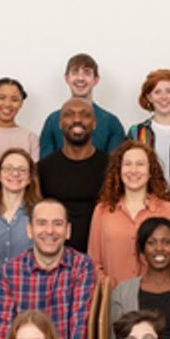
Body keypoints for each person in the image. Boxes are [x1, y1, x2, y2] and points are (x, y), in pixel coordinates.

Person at [0, 199, 96, 339]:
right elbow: (1, 328)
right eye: (41, 223)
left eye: (57, 223)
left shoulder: (82, 266)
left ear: (68, 231)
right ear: (29, 230)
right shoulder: (10, 271)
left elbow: (80, 326)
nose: (49, 231)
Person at [87, 141, 170, 283]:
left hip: (155, 299)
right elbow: (93, 261)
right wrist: (107, 286)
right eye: (127, 164)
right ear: (118, 170)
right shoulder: (102, 210)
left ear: (151, 172)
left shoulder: (168, 210)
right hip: (113, 298)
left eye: (140, 164)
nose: (133, 170)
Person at [36, 97, 110, 253]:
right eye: (69, 115)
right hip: (54, 257)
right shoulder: (43, 168)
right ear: (60, 123)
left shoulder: (111, 167)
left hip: (101, 256)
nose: (77, 120)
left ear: (94, 124)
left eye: (85, 115)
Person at [38, 53, 125, 158]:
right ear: (66, 78)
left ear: (96, 79)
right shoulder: (53, 120)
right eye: (75, 72)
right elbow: (46, 165)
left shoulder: (111, 122)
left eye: (87, 73)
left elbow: (115, 166)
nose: (80, 78)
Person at [0, 147, 43, 271]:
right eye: (8, 168)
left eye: (22, 170)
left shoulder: (41, 217)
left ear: (30, 178)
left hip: (28, 288)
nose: (15, 174)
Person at [129, 68, 170, 186]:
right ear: (149, 97)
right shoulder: (136, 132)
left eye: (169, 91)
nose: (164, 97)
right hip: (146, 197)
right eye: (157, 92)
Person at [0, 77, 40, 161]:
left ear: (21, 103)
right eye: (1, 98)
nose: (7, 104)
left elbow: (33, 171)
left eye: (14, 100)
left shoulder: (30, 138)